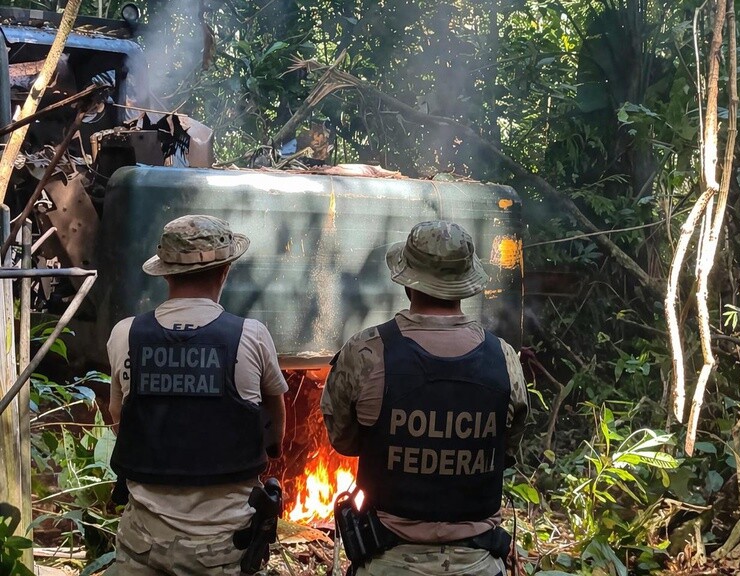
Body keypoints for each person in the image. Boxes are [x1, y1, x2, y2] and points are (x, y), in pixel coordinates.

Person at [321, 220, 528, 576]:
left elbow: (343, 440)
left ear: (407, 282)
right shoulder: (504, 358)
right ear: (465, 286)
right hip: (478, 564)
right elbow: (505, 449)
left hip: (387, 562)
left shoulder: (366, 352)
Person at [107, 214, 288, 575]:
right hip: (222, 550)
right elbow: (274, 431)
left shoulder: (125, 334)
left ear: (165, 273)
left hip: (141, 544)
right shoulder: (250, 336)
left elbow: (119, 421)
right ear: (225, 271)